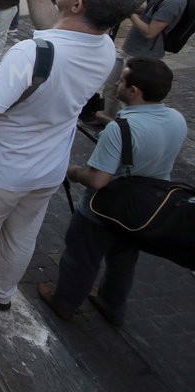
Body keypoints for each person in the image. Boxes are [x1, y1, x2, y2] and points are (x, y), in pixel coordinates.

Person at [0, 0, 154, 313]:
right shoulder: (103, 50)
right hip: (48, 167)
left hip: (1, 166)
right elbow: (57, 24)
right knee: (22, 235)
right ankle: (1, 292)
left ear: (78, 2)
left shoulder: (29, 54)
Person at [38, 58, 185, 327]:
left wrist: (72, 171)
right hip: (144, 210)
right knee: (123, 261)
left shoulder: (120, 130)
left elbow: (98, 180)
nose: (117, 82)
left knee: (80, 259)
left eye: (122, 80)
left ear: (134, 91)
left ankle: (65, 302)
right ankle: (112, 305)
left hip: (104, 211)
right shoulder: (176, 119)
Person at [97, 0, 187, 121]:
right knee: (112, 87)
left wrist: (130, 12)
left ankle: (123, 127)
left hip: (143, 55)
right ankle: (108, 118)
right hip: (131, 49)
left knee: (129, 94)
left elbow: (150, 32)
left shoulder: (174, 1)